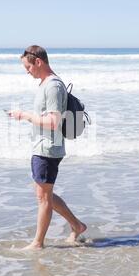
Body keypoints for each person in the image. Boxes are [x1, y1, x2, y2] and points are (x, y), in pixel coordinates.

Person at [8, 45, 87, 250]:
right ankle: (77, 226)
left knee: (43, 197)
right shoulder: (46, 83)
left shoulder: (52, 86)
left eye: (28, 67)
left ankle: (37, 243)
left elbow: (53, 122)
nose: (27, 71)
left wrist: (24, 116)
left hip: (48, 149)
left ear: (39, 62)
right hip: (42, 147)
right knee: (44, 195)